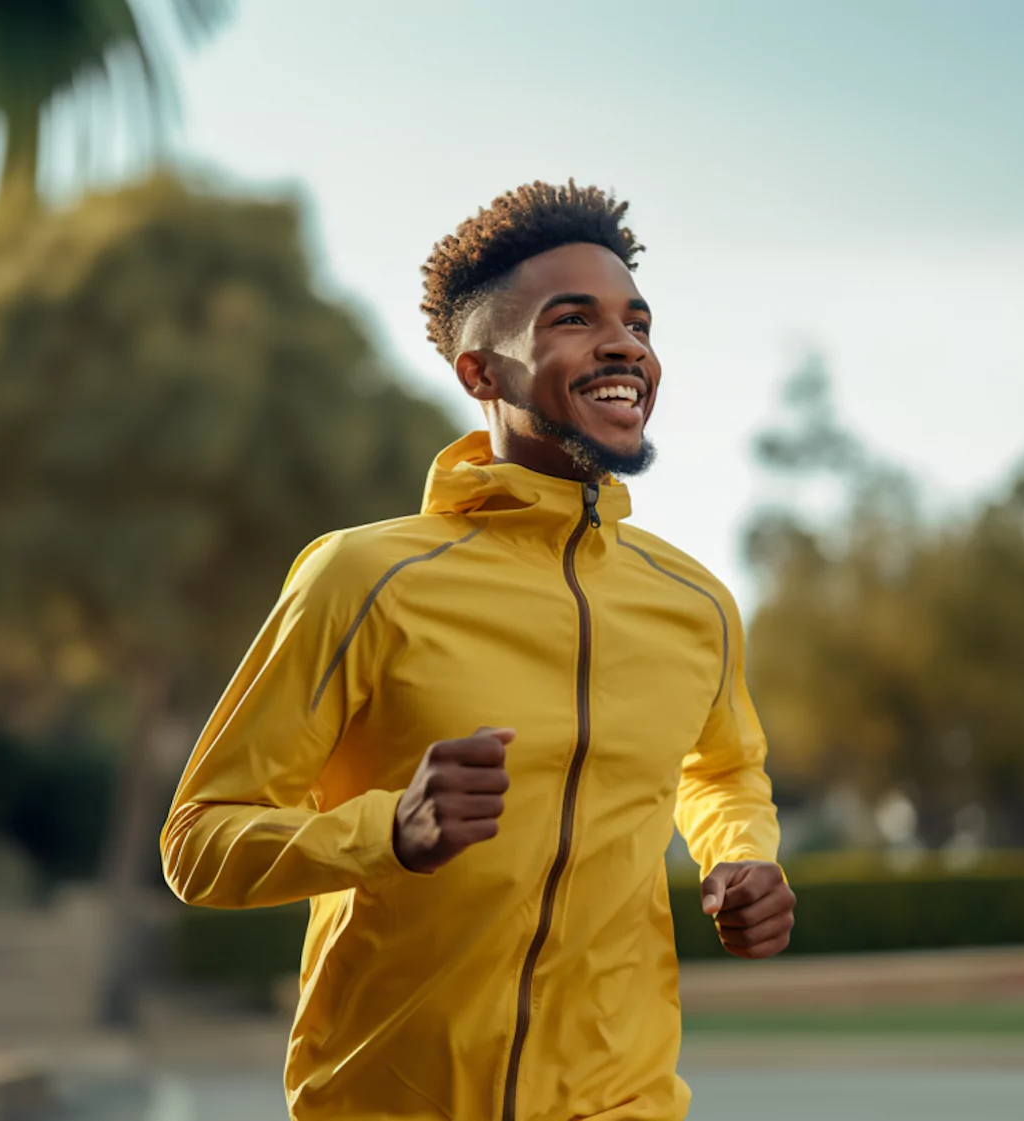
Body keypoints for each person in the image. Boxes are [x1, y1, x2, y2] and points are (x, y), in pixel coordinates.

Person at [160, 181, 794, 1121]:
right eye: (572, 320)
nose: (625, 346)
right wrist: (388, 832)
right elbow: (198, 841)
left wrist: (741, 858)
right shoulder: (365, 578)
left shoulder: (694, 601)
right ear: (479, 373)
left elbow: (724, 769)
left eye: (637, 323)